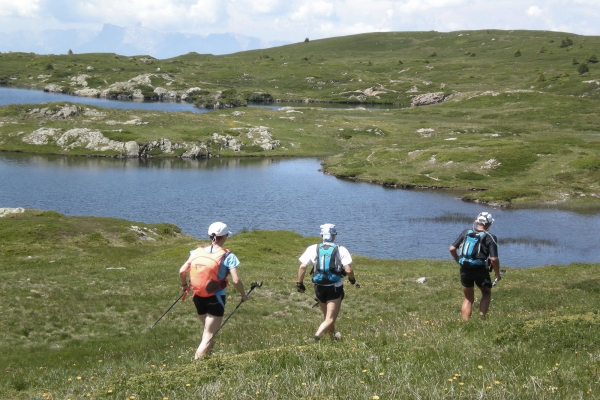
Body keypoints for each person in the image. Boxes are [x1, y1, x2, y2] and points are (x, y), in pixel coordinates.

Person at [179, 222, 248, 359]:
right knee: (209, 335)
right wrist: (243, 294)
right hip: (215, 298)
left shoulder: (196, 252)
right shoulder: (228, 256)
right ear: (225, 237)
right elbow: (235, 280)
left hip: (198, 296)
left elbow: (182, 271)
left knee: (208, 331)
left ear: (210, 236)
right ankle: (196, 365)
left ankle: (208, 360)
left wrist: (184, 286)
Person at [296, 223, 357, 341]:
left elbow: (303, 267)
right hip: (334, 288)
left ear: (321, 235)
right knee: (330, 319)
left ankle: (334, 338)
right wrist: (352, 279)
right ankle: (315, 338)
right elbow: (348, 270)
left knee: (327, 317)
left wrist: (300, 284)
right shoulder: (341, 249)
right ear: (335, 235)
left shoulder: (312, 248)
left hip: (319, 287)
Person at [449, 212, 501, 321]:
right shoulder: (490, 237)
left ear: (476, 221)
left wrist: (458, 259)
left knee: (468, 298)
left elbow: (452, 248)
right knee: (486, 293)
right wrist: (497, 274)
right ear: (490, 223)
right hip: (480, 269)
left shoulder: (466, 232)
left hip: (465, 268)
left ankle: (465, 322)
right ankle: (482, 319)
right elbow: (494, 259)